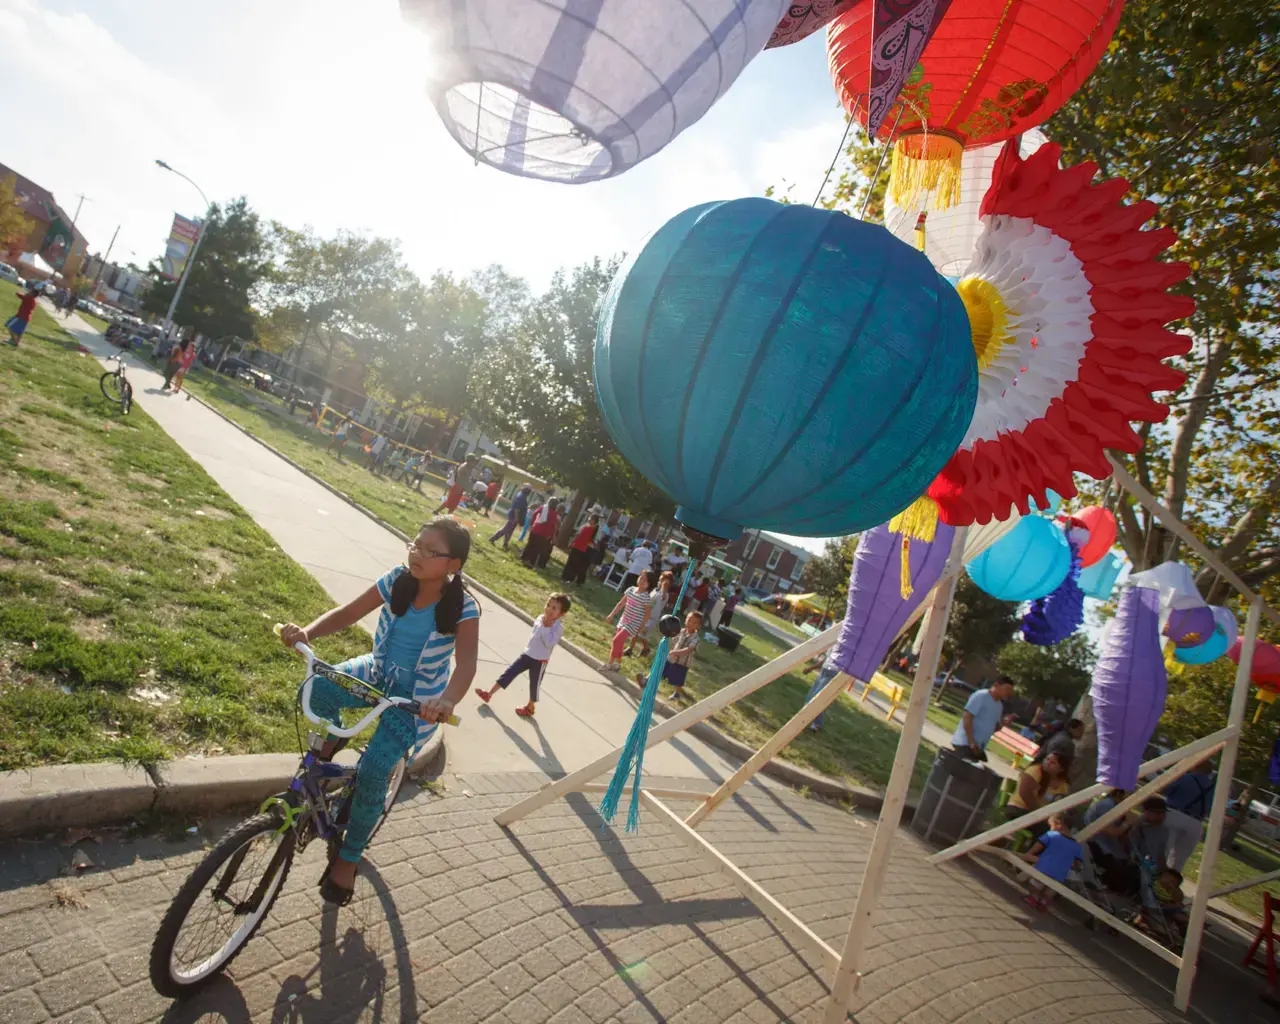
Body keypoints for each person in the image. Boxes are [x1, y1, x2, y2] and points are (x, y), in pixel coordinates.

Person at [276, 517, 479, 903]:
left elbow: (467, 664)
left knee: (373, 770)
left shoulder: (464, 609)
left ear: (453, 565)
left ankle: (348, 858)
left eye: (429, 551)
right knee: (319, 687)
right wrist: (307, 633)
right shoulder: (396, 580)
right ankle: (327, 754)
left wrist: (446, 700)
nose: (416, 553)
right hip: (377, 671)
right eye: (415, 544)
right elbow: (348, 613)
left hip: (416, 701)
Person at [475, 593, 569, 718]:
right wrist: (542, 627)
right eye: (548, 605)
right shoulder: (540, 618)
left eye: (554, 608)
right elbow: (534, 636)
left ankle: (530, 707)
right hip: (527, 654)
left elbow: (549, 644)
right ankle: (489, 693)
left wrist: (547, 628)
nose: (549, 609)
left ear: (561, 614)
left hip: (540, 661)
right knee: (509, 672)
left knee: (534, 685)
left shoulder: (558, 628)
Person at [1020, 814, 1083, 912]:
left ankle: (1033, 897)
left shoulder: (1051, 835)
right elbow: (1078, 864)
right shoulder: (1076, 845)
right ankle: (1043, 903)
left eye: (1051, 825)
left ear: (1059, 825)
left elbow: (1037, 847)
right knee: (1050, 890)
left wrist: (1028, 854)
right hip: (1060, 873)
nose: (1050, 828)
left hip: (1045, 867)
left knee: (1035, 884)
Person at [1161, 759, 1216, 870]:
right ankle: (1168, 883)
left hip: (1174, 814)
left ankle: (1150, 880)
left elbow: (1165, 790)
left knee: (1161, 851)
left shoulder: (1186, 778)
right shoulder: (1214, 788)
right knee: (1179, 860)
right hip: (1196, 822)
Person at [1004, 751, 1072, 839]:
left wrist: (1053, 819)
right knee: (1045, 831)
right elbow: (1025, 793)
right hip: (1018, 809)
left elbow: (1058, 805)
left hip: (1039, 816)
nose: (1047, 763)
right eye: (1047, 759)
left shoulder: (1063, 785)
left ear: (1061, 769)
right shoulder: (1035, 770)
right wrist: (1039, 814)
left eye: (1053, 763)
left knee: (1057, 832)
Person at [1083, 788, 1138, 893]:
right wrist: (1127, 822)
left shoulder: (1115, 806)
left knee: (1132, 867)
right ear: (1119, 794)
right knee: (1123, 871)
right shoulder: (1107, 805)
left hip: (1105, 845)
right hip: (1094, 844)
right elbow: (1111, 831)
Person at [951, 676, 1015, 761]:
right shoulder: (981, 695)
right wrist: (971, 741)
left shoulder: (999, 705)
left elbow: (994, 728)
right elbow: (967, 717)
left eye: (1010, 691)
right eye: (1007, 689)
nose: (1008, 693)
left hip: (978, 747)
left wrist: (1003, 723)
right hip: (965, 742)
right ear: (996, 685)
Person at [604, 571, 654, 673]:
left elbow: (647, 614)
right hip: (623, 620)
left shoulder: (646, 598)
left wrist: (642, 626)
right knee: (619, 644)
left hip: (633, 624)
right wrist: (611, 615)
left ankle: (609, 664)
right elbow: (621, 603)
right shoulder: (631, 590)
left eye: (646, 580)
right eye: (641, 577)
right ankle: (618, 664)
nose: (642, 581)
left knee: (616, 641)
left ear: (649, 584)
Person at [647, 610, 703, 701]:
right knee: (659, 669)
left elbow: (689, 650)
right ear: (685, 620)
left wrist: (676, 652)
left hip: (682, 663)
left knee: (677, 680)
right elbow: (673, 638)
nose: (690, 623)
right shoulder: (681, 631)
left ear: (699, 626)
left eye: (694, 623)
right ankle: (647, 681)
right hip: (671, 658)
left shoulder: (696, 638)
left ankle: (677, 693)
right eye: (689, 620)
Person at [802, 651, 846, 732]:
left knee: (816, 699)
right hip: (824, 671)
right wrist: (811, 668)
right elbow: (826, 660)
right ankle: (815, 722)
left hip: (833, 674)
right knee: (811, 697)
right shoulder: (836, 644)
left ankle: (809, 722)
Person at [1129, 797, 1173, 870]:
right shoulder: (1134, 825)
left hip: (1148, 869)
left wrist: (1165, 872)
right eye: (1157, 813)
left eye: (1163, 813)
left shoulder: (1164, 830)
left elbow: (1160, 855)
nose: (1161, 816)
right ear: (1145, 811)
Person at [490, 482, 531, 550]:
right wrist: (516, 518)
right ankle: (493, 539)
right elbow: (517, 510)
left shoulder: (520, 495)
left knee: (509, 531)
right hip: (514, 516)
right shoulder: (522, 497)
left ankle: (505, 544)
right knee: (506, 529)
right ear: (527, 490)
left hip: (514, 515)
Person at [521, 498, 561, 569]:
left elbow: (534, 514)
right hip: (544, 534)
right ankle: (531, 562)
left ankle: (524, 558)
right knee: (537, 548)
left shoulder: (543, 508)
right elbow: (552, 526)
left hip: (536, 529)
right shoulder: (554, 514)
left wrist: (532, 523)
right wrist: (550, 535)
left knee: (530, 544)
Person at [561, 513, 599, 585]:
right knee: (575, 564)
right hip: (582, 548)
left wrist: (572, 543)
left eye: (590, 518)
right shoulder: (592, 529)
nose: (588, 519)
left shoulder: (588, 528)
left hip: (577, 547)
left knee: (571, 563)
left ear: (593, 520)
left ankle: (566, 578)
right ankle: (570, 579)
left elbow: (579, 536)